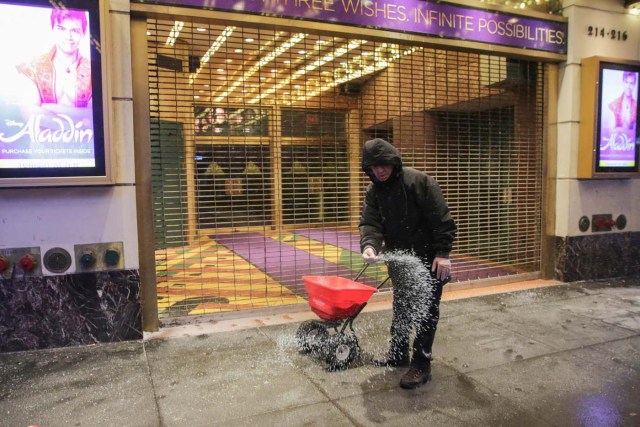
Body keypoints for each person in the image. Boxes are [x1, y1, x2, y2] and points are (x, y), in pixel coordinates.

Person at [359, 138, 456, 389]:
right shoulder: (374, 191)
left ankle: (421, 365)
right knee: (402, 306)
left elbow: (441, 219)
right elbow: (370, 223)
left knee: (426, 311)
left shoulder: (419, 182)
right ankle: (398, 354)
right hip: (401, 260)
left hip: (429, 259)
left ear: (393, 160)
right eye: (373, 167)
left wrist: (443, 253)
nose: (379, 171)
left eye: (383, 165)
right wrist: (369, 245)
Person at [16, 9, 92, 108]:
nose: (68, 36)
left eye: (75, 31)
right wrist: (79, 115)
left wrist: (49, 108)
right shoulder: (31, 68)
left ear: (84, 32)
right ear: (52, 29)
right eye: (61, 29)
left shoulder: (94, 71)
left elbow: (91, 117)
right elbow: (30, 114)